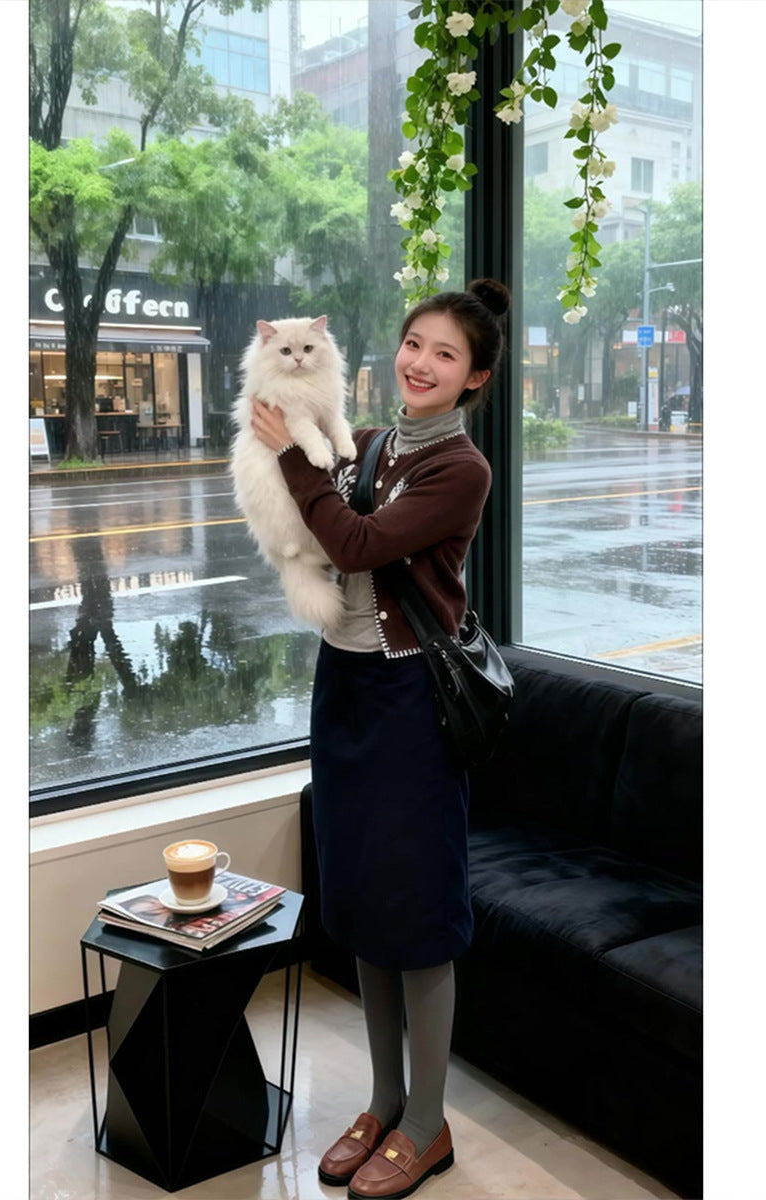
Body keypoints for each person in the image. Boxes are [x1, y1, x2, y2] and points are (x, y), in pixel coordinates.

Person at [249, 278, 510, 1200]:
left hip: (412, 699)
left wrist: (295, 460)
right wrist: (294, 450)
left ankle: (428, 1123)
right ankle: (385, 1100)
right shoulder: (371, 441)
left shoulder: (460, 470)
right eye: (413, 343)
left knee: (420, 911)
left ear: (475, 377)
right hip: (347, 687)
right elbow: (314, 531)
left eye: (445, 353)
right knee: (361, 898)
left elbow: (357, 546)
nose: (420, 363)